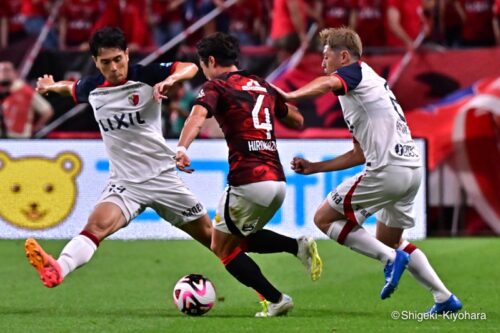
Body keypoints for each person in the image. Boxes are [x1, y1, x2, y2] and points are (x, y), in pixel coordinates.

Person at [274, 27, 462, 314]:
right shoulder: (366, 88)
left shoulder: (356, 72)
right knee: (393, 241)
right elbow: (358, 153)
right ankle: (444, 298)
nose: (323, 63)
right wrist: (316, 168)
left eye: (326, 57)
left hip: (388, 170)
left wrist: (289, 96)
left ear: (344, 56)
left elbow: (325, 84)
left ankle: (389, 260)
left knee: (324, 218)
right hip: (410, 170)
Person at [24, 26, 214, 288]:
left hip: (162, 179)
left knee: (212, 238)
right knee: (96, 226)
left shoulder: (146, 75)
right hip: (125, 184)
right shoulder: (92, 88)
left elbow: (190, 67)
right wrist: (50, 86)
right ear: (95, 62)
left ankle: (262, 291)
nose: (114, 68)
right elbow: (70, 87)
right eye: (105, 62)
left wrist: (172, 79)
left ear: (126, 54)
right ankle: (58, 268)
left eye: (118, 59)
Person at [175, 32, 323, 317]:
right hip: (277, 182)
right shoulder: (261, 84)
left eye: (203, 64)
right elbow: (297, 119)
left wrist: (182, 147)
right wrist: (273, 101)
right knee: (238, 239)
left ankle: (277, 299)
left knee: (222, 248)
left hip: (248, 181)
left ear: (211, 61)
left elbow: (196, 116)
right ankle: (296, 245)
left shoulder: (215, 86)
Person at [0, 61, 53, 138]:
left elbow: (47, 111)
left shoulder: (26, 91)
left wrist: (35, 129)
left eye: (7, 70)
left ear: (15, 73)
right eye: (1, 70)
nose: (4, 73)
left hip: (20, 137)